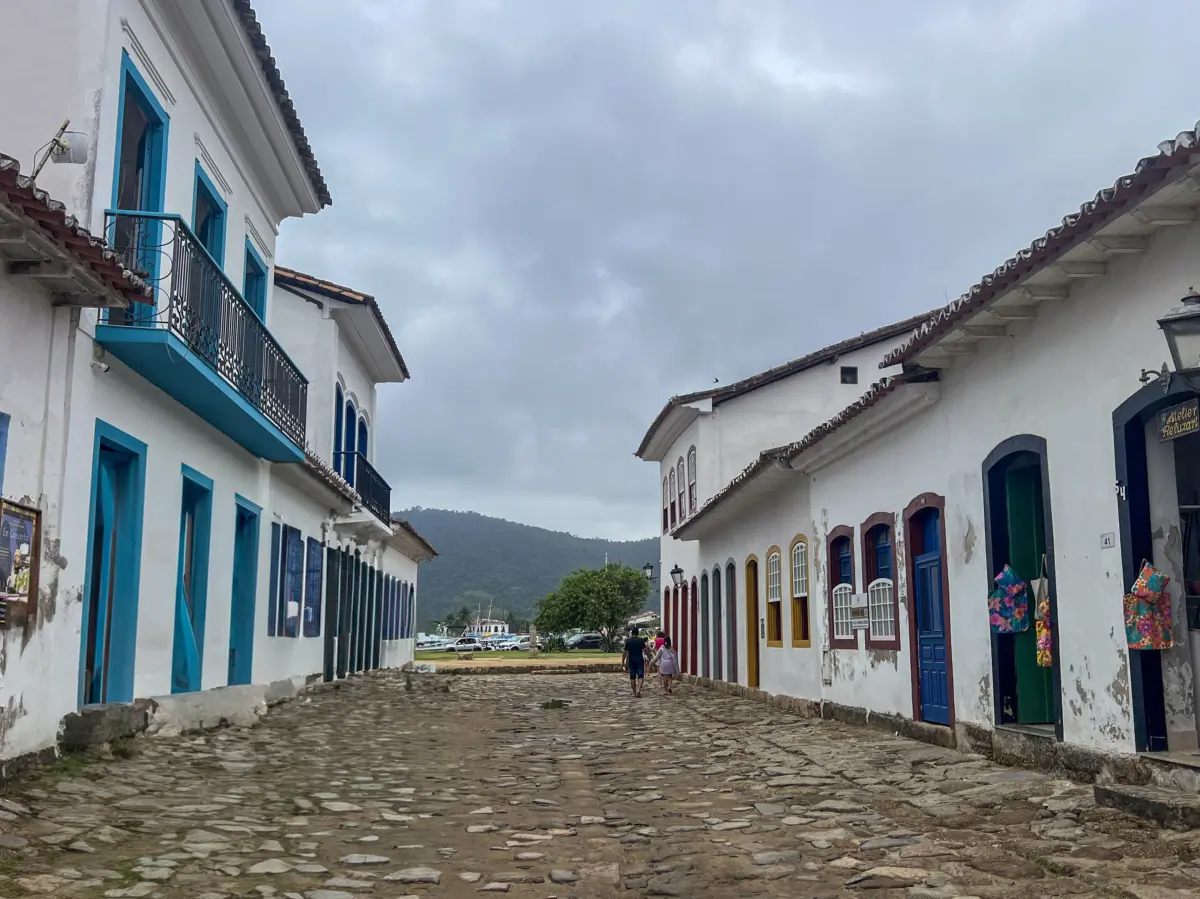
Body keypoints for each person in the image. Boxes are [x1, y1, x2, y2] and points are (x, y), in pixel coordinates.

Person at [621, 626, 650, 698]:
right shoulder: (641, 641)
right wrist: (649, 657)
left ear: (632, 633)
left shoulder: (628, 641)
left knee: (632, 677)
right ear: (637, 633)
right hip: (639, 660)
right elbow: (645, 650)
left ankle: (634, 692)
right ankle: (638, 690)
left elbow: (625, 652)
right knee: (640, 676)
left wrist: (623, 661)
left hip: (631, 660)